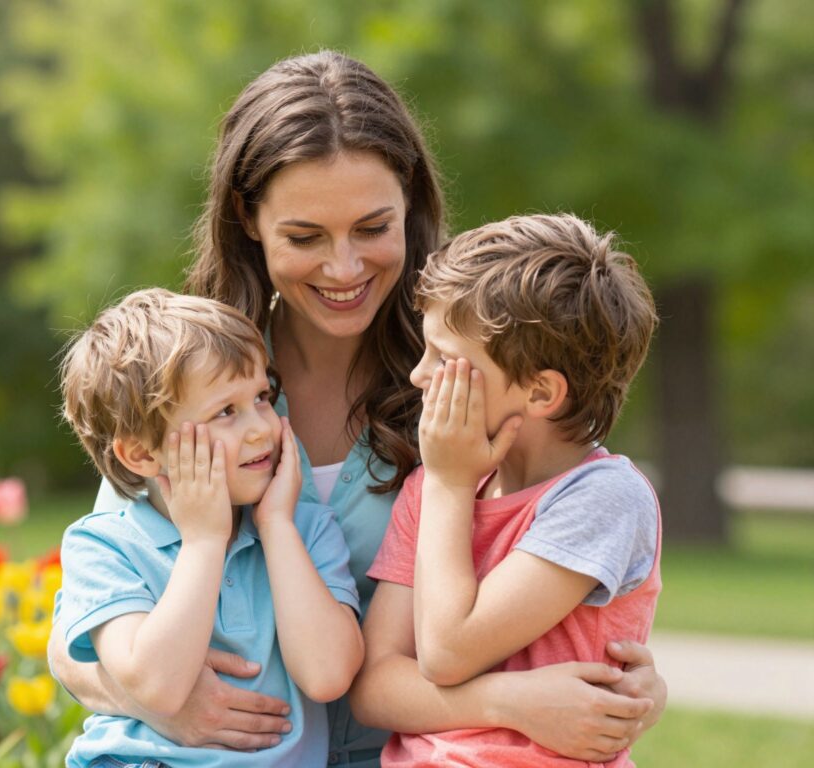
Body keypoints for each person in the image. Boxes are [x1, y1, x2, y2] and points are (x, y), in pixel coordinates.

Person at [49, 51, 667, 767]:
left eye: (372, 228)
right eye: (305, 237)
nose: (343, 269)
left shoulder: (463, 383)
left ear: (410, 204)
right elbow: (79, 635)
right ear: (249, 220)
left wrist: (627, 687)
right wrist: (154, 699)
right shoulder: (191, 379)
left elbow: (553, 560)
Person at [352, 214, 661, 767]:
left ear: (540, 392)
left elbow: (446, 653)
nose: (420, 375)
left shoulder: (604, 498)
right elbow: (375, 688)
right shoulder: (434, 486)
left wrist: (449, 483)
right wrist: (512, 702)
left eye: (445, 359)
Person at [58, 288, 364, 768]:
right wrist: (204, 542)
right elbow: (158, 687)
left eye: (263, 397)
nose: (263, 427)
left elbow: (328, 676)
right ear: (141, 453)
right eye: (226, 412)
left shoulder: (305, 530)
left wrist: (278, 526)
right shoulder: (104, 546)